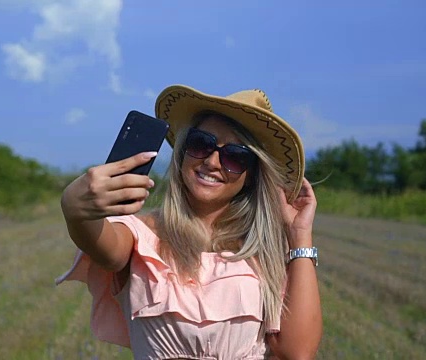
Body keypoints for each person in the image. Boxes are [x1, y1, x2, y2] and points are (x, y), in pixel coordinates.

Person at [57, 85, 322, 359]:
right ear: (183, 150)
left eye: (235, 156)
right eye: (201, 144)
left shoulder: (265, 254)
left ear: (252, 175)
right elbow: (103, 244)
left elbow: (297, 352)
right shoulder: (140, 235)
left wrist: (300, 236)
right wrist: (75, 207)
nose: (212, 161)